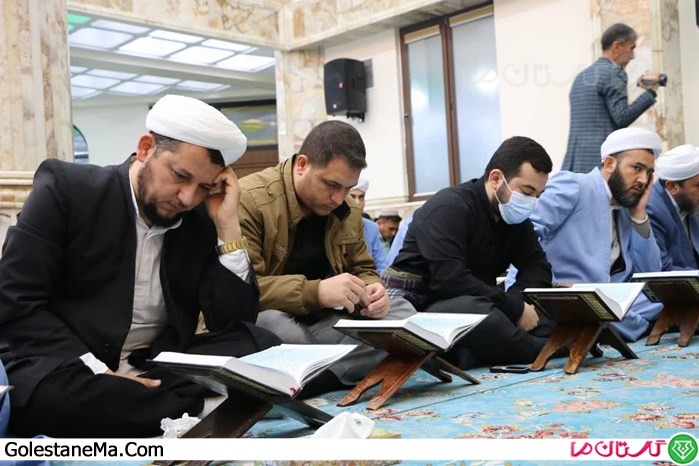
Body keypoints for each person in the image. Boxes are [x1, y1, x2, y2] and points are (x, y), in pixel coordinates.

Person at [0, 95, 282, 438]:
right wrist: (95, 369)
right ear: (146, 148)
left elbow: (232, 320)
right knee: (51, 400)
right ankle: (192, 405)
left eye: (204, 187)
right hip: (65, 362)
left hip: (153, 363)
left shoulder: (200, 217)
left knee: (262, 343)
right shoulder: (68, 189)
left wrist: (228, 227)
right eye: (180, 176)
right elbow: (16, 301)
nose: (187, 197)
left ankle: (154, 404)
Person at [238, 120, 415, 394]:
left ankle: (315, 373)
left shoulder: (347, 209)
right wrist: (316, 292)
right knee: (269, 323)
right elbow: (243, 291)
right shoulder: (250, 200)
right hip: (277, 323)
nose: (338, 198)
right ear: (302, 164)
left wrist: (373, 291)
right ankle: (338, 369)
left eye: (348, 188)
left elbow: (363, 268)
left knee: (403, 312)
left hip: (326, 325)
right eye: (331, 184)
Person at [387, 136, 555, 369]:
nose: (531, 202)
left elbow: (538, 267)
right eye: (526, 192)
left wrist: (518, 303)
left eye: (538, 195)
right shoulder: (448, 207)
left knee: (554, 308)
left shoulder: (514, 219)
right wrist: (514, 309)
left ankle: (504, 348)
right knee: (479, 314)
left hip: (484, 300)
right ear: (496, 179)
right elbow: (450, 281)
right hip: (427, 306)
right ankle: (543, 349)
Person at [512, 127, 664, 341]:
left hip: (606, 294)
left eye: (648, 173)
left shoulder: (624, 207)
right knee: (604, 308)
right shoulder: (574, 185)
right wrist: (547, 286)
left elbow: (651, 272)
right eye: (637, 168)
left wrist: (639, 214)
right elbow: (523, 236)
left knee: (661, 299)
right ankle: (626, 325)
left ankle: (618, 324)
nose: (642, 179)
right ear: (610, 164)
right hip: (564, 293)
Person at [561, 23, 661, 173]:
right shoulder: (615, 72)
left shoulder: (581, 77)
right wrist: (651, 92)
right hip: (601, 162)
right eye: (631, 48)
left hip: (575, 163)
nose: (633, 56)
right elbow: (622, 117)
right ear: (616, 46)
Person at [647, 144, 699, 270]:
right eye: (698, 186)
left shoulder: (689, 202)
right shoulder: (651, 211)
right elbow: (663, 269)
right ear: (672, 187)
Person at [349, 178, 389, 273]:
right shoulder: (333, 225)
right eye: (352, 197)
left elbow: (381, 264)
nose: (357, 202)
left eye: (361, 197)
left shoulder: (372, 227)